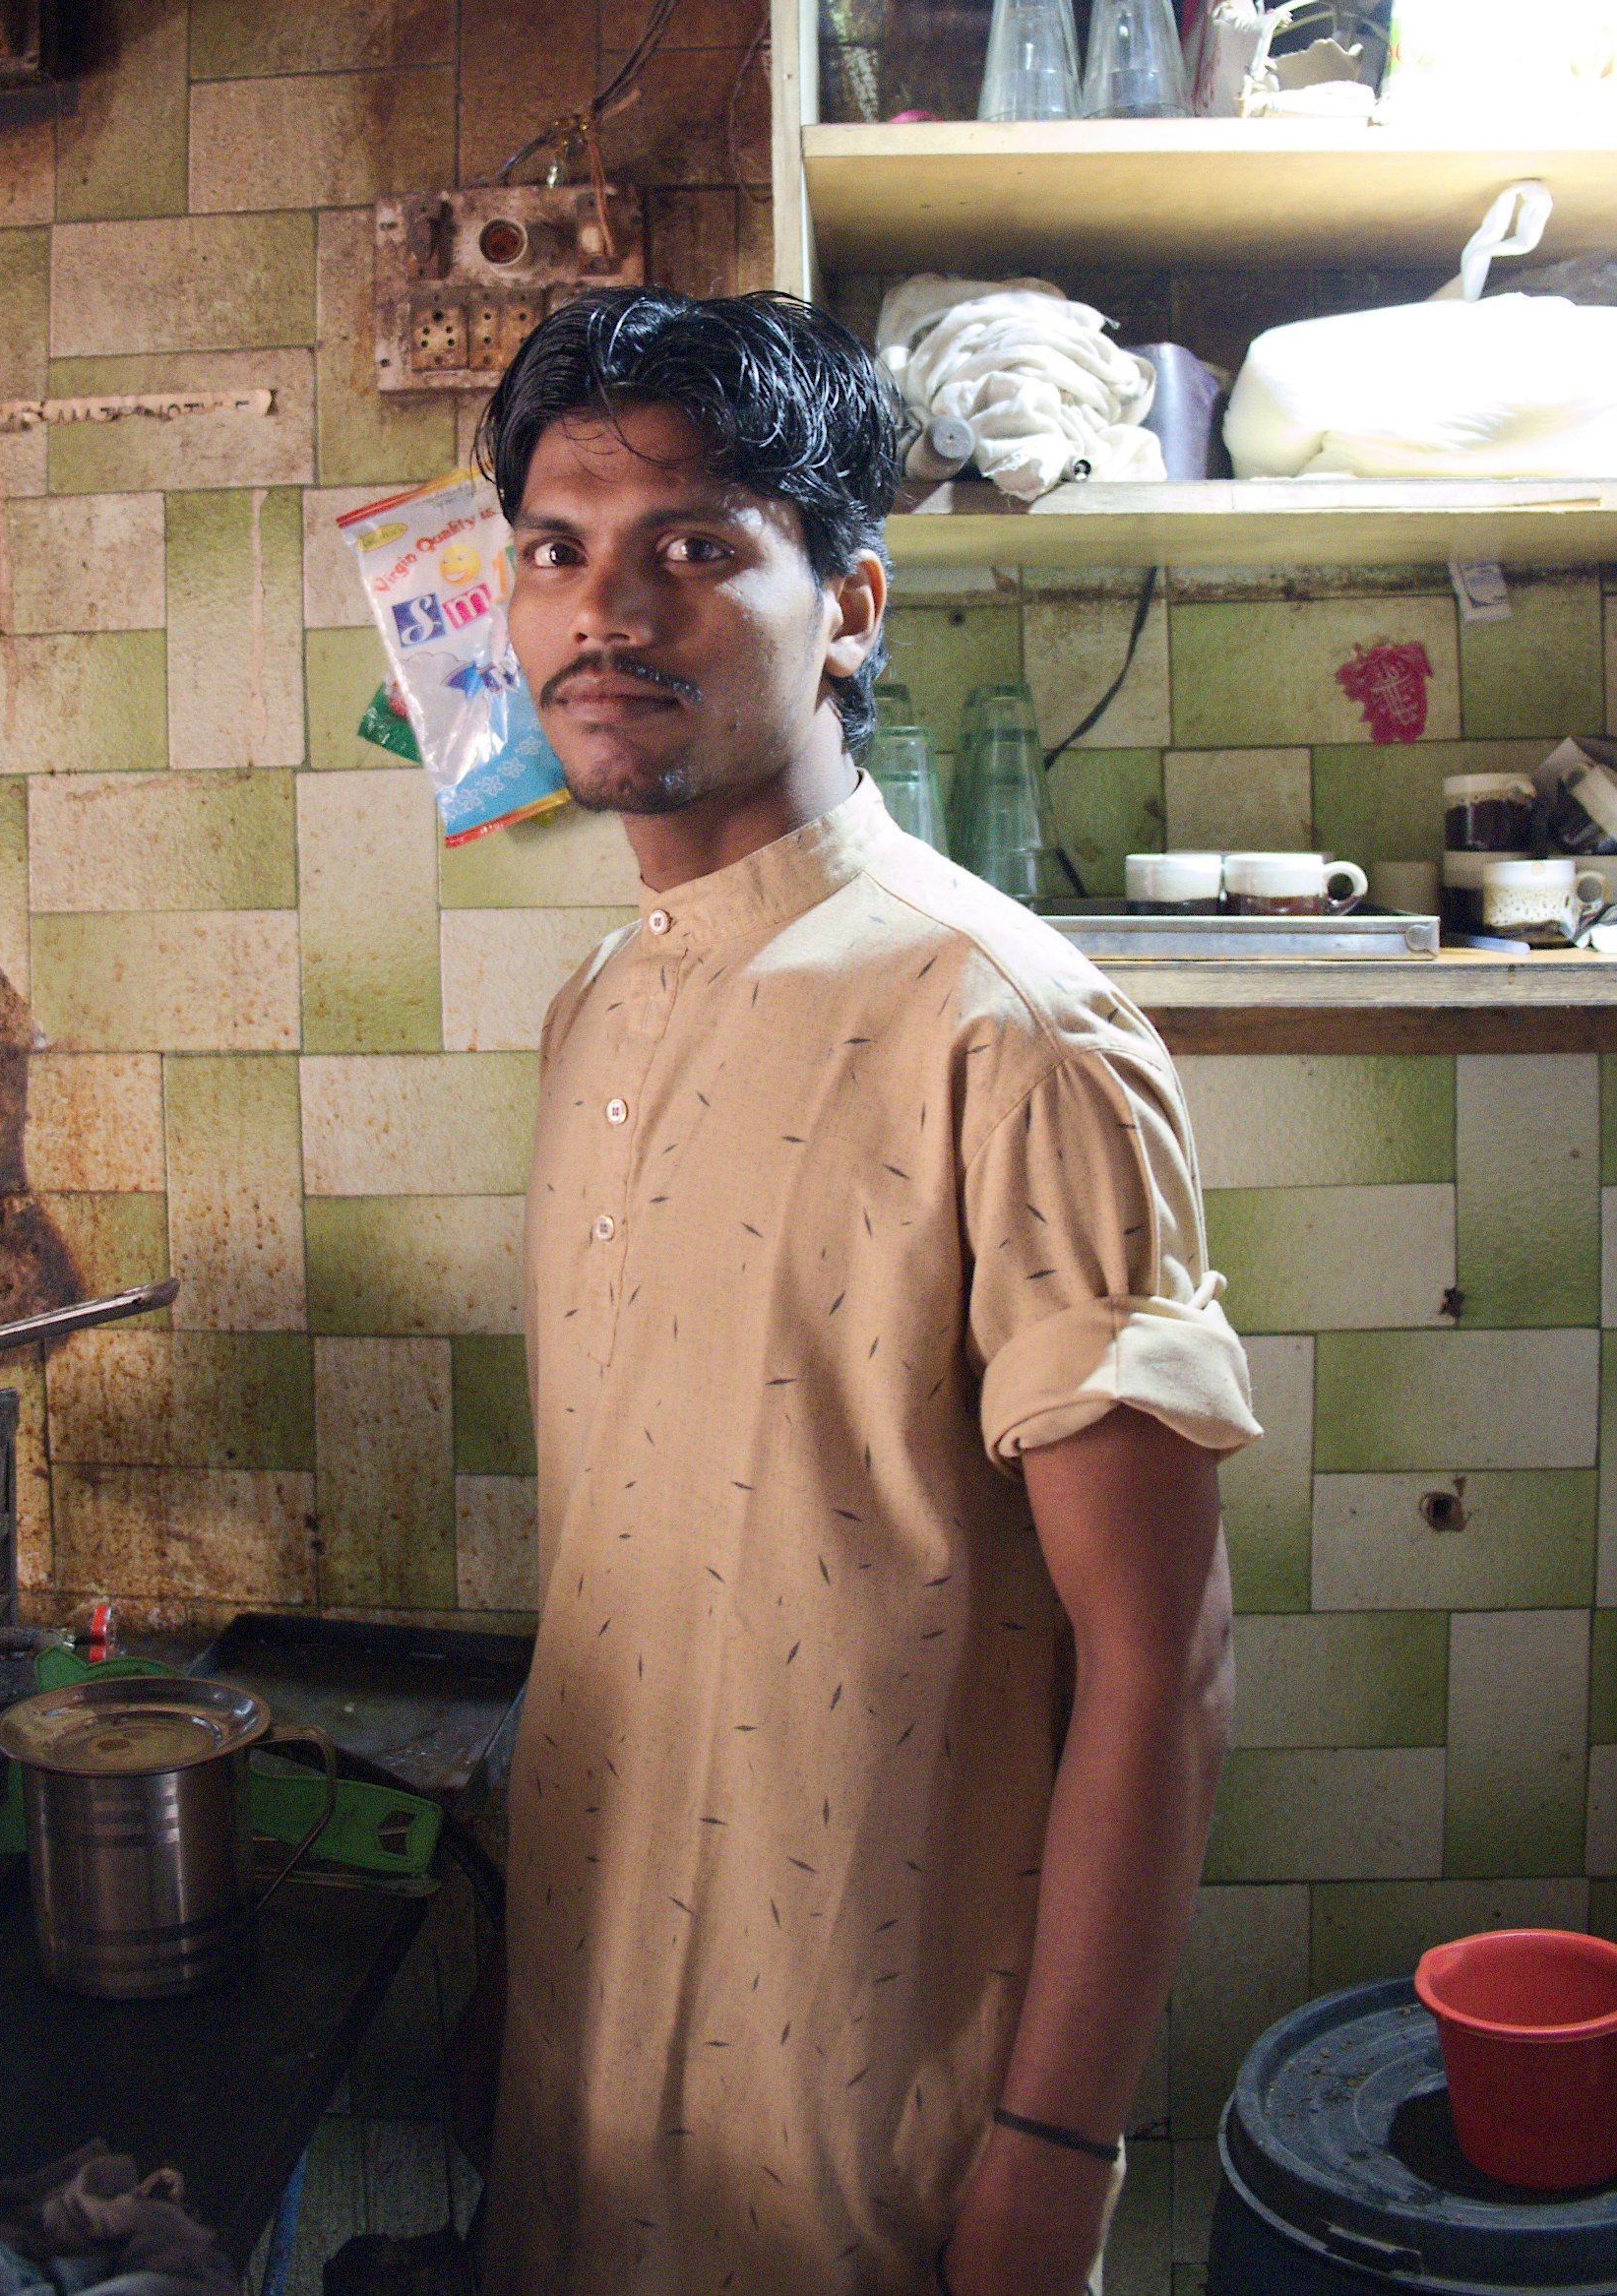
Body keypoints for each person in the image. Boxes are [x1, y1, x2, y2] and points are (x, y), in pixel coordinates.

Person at [464, 289, 1258, 2296]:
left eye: (694, 547)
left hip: (883, 2126)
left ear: (850, 604)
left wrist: (1052, 2157)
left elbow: (1162, 1660)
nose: (602, 612)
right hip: (601, 2069)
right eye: (555, 549)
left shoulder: (1005, 1026)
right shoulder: (597, 1005)